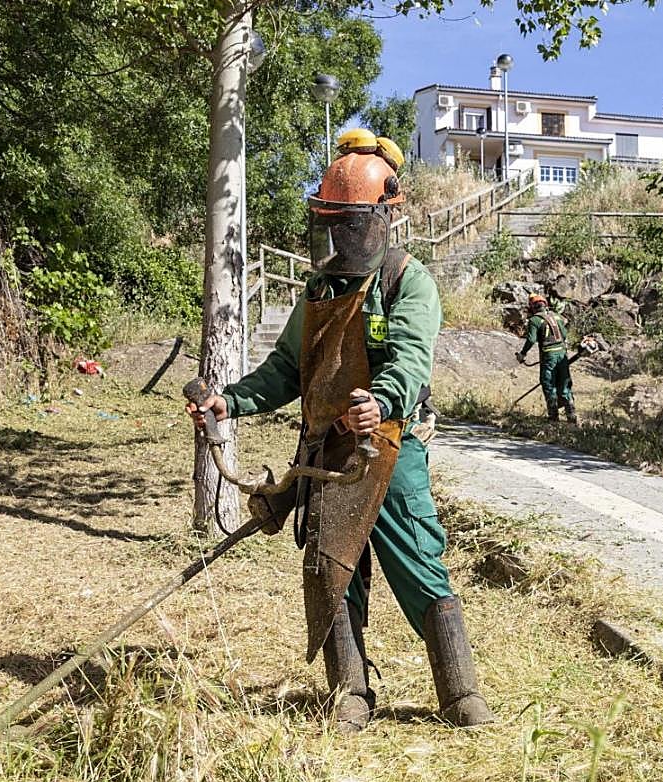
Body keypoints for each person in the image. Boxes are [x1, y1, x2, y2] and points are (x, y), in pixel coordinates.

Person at [187, 129, 493, 732]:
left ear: (381, 220)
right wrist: (230, 402)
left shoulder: (409, 283)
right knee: (330, 572)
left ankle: (461, 694)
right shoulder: (320, 291)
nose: (337, 238)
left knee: (419, 564)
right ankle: (349, 693)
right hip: (325, 450)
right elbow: (284, 370)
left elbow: (408, 360)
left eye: (349, 225)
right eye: (330, 224)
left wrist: (380, 401)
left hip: (389, 447)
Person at [515, 293, 577, 423]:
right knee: (564, 384)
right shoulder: (557, 317)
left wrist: (523, 354)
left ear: (532, 307)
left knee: (549, 384)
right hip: (562, 355)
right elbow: (564, 334)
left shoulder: (534, 320)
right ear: (546, 304)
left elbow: (531, 339)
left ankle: (553, 419)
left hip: (548, 356)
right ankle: (571, 417)